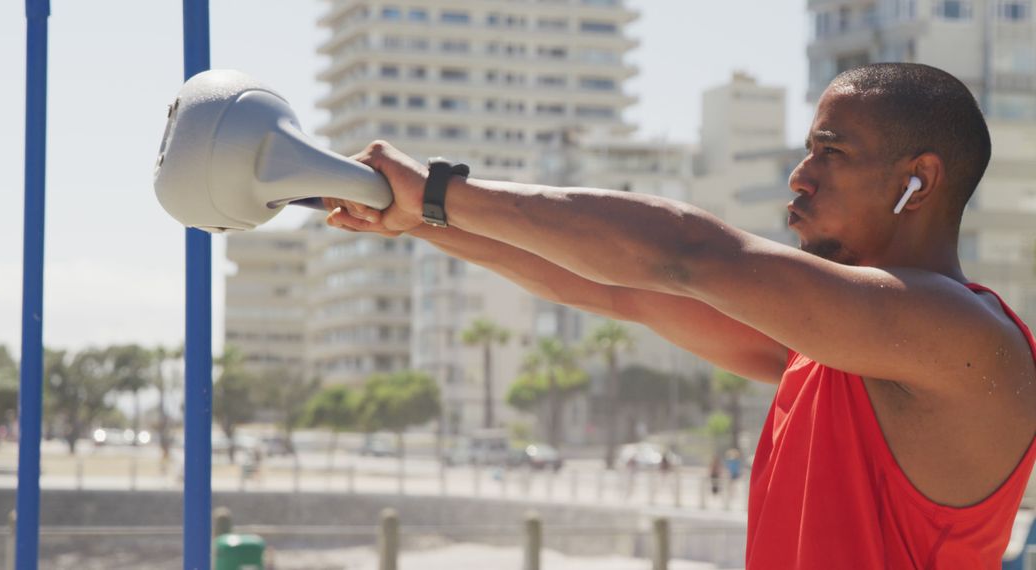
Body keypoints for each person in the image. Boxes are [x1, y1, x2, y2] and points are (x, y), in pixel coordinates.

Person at [324, 63, 1036, 568]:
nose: (800, 174)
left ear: (920, 180)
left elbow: (692, 253)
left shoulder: (967, 339)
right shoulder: (832, 345)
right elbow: (620, 291)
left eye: (831, 151)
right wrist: (415, 220)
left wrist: (441, 192)